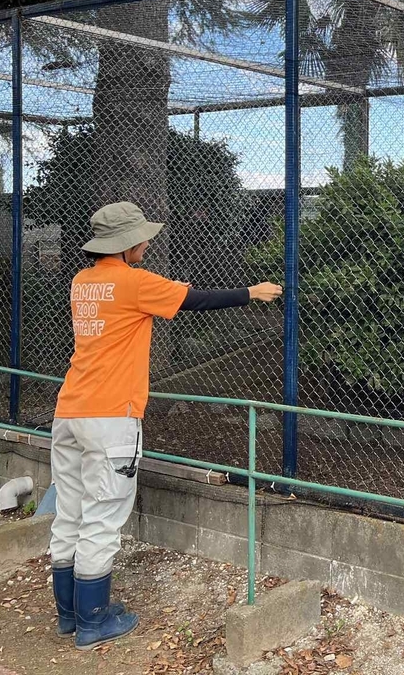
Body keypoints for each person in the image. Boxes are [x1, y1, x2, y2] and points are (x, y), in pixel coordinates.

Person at [49, 201, 282, 650]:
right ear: (125, 244)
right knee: (102, 517)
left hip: (69, 411)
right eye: (142, 237)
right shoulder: (135, 282)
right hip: (111, 416)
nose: (147, 242)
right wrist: (250, 292)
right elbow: (194, 300)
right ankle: (93, 622)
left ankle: (69, 615)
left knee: (71, 511)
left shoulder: (82, 281)